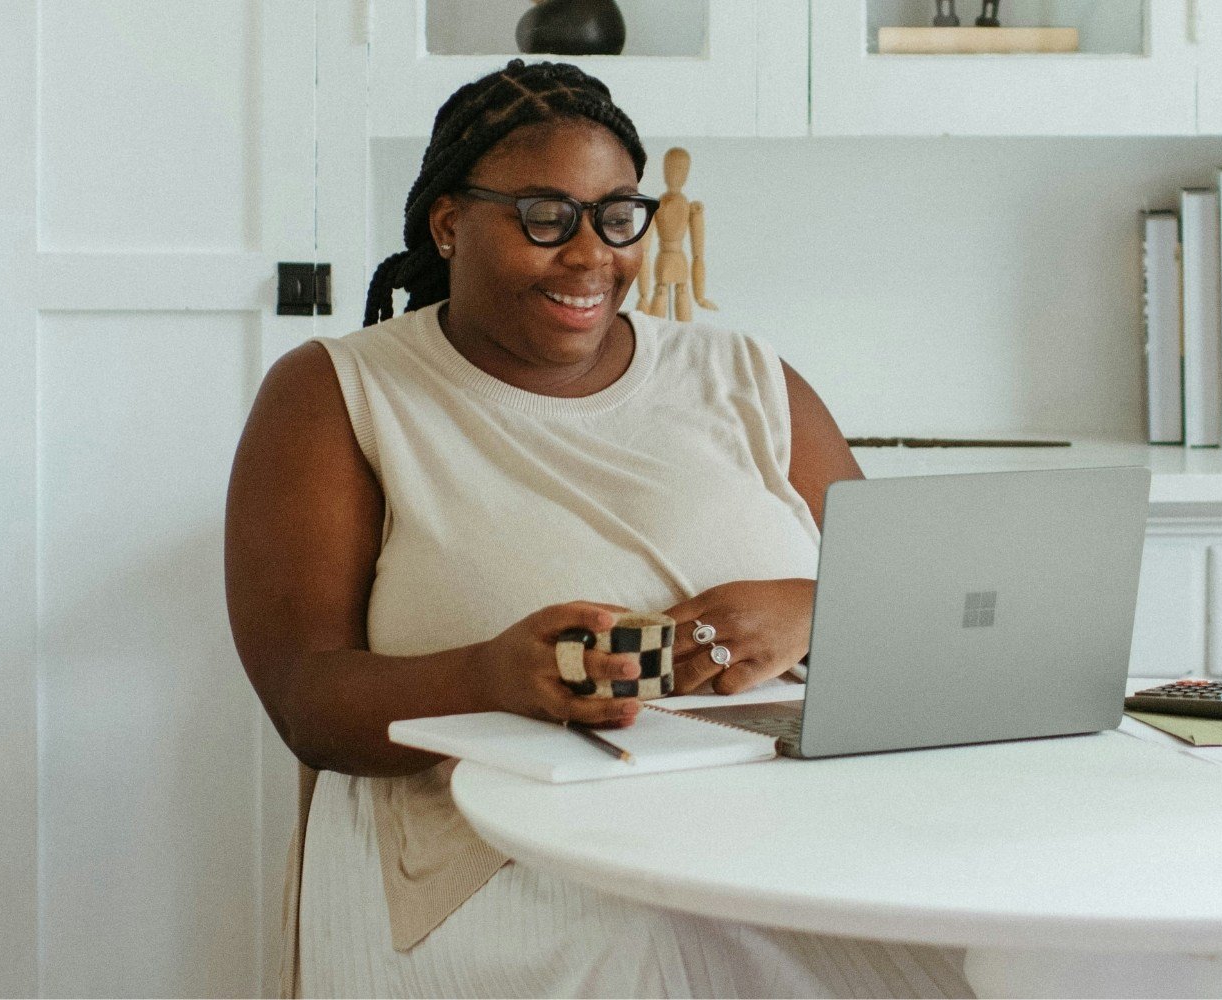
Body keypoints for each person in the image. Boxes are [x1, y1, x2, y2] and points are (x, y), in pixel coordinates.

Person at [224, 59, 972, 998]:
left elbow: (922, 609)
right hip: (494, 840)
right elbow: (306, 698)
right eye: (546, 218)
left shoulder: (745, 376)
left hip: (780, 819)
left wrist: (812, 609)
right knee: (661, 950)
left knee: (975, 935)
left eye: (618, 217)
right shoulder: (340, 393)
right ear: (449, 224)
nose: (591, 257)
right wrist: (491, 677)